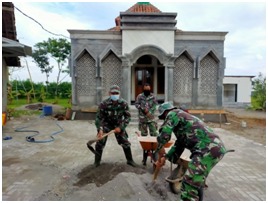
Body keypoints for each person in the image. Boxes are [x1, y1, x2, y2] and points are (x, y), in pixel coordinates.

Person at [155, 102, 227, 201]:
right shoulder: (182, 124)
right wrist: (166, 157)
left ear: (165, 113)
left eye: (163, 118)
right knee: (196, 181)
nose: (164, 120)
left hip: (207, 149)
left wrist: (159, 148)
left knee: (189, 182)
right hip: (214, 149)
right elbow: (179, 145)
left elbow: (164, 136)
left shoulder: (173, 113)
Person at [94, 85, 137, 167]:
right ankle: (97, 162)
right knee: (100, 142)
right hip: (106, 124)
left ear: (119, 93)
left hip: (118, 124)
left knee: (125, 143)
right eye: (113, 93)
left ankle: (130, 160)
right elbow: (98, 118)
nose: (115, 94)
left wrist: (121, 127)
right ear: (109, 93)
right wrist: (100, 129)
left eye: (116, 93)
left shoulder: (123, 104)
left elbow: (128, 117)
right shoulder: (104, 104)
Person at [135, 83, 158, 165]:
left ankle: (155, 156)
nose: (147, 91)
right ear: (143, 89)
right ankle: (144, 158)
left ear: (150, 89)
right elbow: (136, 104)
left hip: (151, 119)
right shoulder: (139, 96)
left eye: (148, 90)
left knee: (154, 137)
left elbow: (155, 105)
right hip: (143, 120)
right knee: (144, 140)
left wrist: (149, 112)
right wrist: (143, 109)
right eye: (145, 90)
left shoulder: (153, 96)